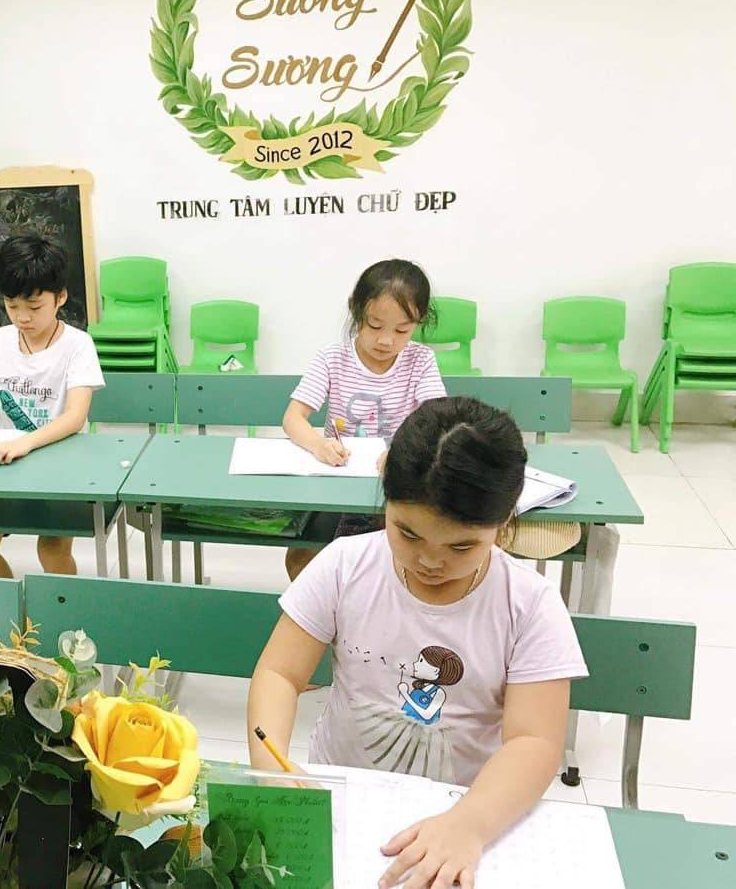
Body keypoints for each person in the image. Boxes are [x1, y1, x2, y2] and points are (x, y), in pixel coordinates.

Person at [248, 397, 587, 889]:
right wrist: (272, 769)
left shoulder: (528, 604)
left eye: (461, 546)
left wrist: (469, 825)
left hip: (467, 809)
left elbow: (534, 742)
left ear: (505, 521)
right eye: (407, 534)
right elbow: (280, 673)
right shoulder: (345, 565)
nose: (430, 562)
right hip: (343, 796)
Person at [0, 235, 105, 578]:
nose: (22, 317)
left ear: (60, 297)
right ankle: (18, 607)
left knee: (52, 550)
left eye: (34, 307)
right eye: (12, 306)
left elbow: (75, 417)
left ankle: (58, 605)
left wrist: (23, 443)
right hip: (7, 464)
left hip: (62, 462)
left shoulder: (78, 345)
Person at [283, 259, 444, 580]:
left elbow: (437, 418)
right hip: (337, 485)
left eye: (402, 330)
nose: (386, 340)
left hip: (394, 491)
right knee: (302, 560)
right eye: (375, 325)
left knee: (392, 563)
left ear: (419, 321)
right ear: (355, 311)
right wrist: (319, 445)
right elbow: (293, 418)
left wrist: (403, 451)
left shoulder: (420, 360)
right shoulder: (333, 358)